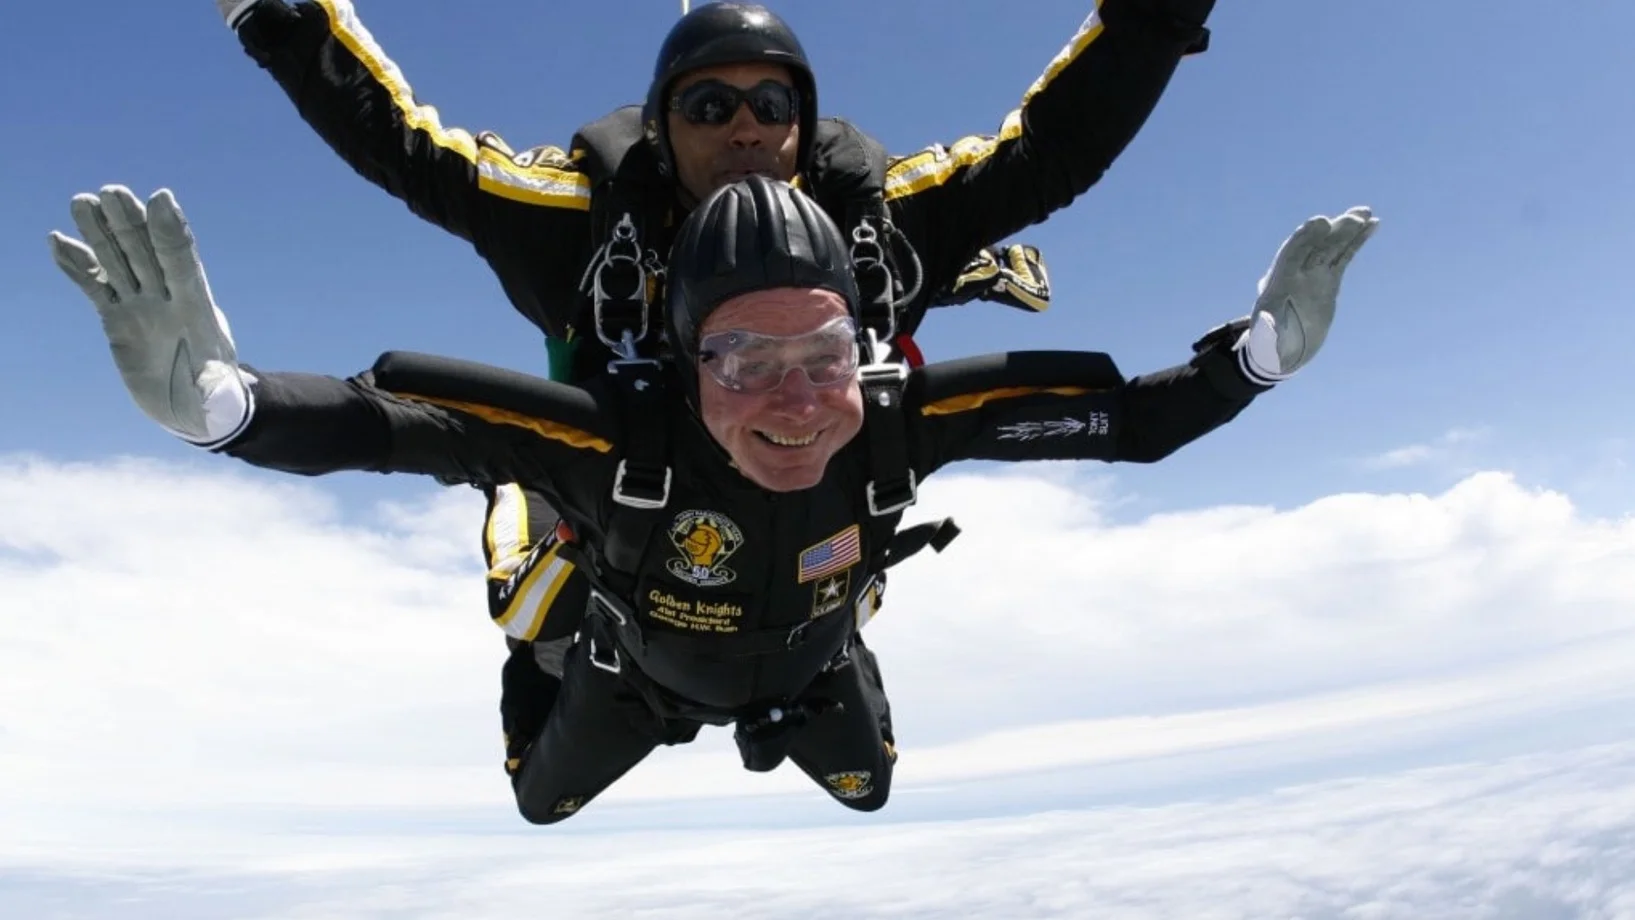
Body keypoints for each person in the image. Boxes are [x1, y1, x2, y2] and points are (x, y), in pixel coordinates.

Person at [48, 175, 1378, 822]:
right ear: (686, 368)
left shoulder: (899, 425)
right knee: (538, 800)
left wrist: (1254, 360)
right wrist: (225, 409)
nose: (794, 401)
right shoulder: (606, 442)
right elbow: (395, 426)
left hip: (802, 666)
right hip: (626, 673)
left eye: (823, 356)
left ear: (866, 351)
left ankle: (780, 657)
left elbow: (1128, 426)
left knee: (869, 794)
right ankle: (532, 607)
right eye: (743, 360)